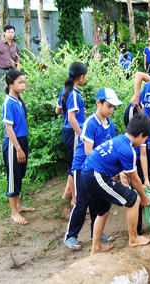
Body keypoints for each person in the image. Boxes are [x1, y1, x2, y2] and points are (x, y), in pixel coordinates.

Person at [81, 113, 150, 255]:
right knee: (133, 199)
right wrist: (144, 196)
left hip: (88, 173)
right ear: (140, 135)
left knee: (103, 210)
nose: (144, 142)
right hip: (95, 175)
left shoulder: (120, 139)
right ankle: (133, 238)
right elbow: (135, 179)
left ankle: (95, 248)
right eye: (145, 138)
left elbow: (115, 162)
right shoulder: (128, 150)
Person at [63, 87, 122, 250]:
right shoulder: (90, 123)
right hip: (83, 167)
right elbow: (89, 151)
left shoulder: (111, 125)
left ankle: (95, 234)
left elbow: (110, 149)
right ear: (98, 103)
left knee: (100, 201)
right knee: (82, 202)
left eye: (113, 107)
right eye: (108, 106)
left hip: (100, 168)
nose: (111, 109)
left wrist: (111, 171)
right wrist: (106, 169)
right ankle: (71, 236)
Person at [2, 70, 35, 225]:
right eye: (20, 82)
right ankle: (14, 212)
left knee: (20, 174)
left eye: (24, 82)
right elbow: (9, 128)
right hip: (13, 143)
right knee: (13, 176)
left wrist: (23, 146)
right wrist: (18, 148)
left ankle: (19, 205)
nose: (23, 85)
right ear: (11, 84)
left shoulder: (18, 101)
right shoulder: (8, 102)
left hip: (21, 140)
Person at [55, 62, 88, 206]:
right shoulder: (73, 94)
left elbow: (58, 110)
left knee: (72, 162)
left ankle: (67, 193)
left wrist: (77, 111)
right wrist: (82, 135)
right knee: (75, 165)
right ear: (81, 78)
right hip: (74, 132)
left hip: (68, 131)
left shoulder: (65, 91)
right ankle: (76, 200)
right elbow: (71, 118)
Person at [0, 25, 21, 93]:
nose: (10, 34)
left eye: (12, 32)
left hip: (12, 70)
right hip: (1, 70)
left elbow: (18, 57)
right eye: (9, 32)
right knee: (3, 90)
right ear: (4, 33)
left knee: (13, 90)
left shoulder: (15, 46)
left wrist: (18, 64)